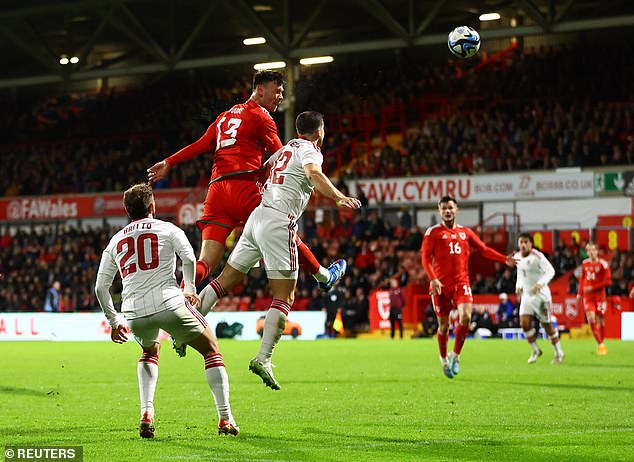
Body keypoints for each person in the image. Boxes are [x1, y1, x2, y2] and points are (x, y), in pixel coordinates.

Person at [195, 111, 361, 390]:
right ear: (320, 131)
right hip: (278, 222)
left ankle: (186, 327)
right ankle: (263, 358)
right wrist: (339, 197)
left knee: (223, 281)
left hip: (257, 218)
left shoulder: (283, 150)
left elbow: (260, 172)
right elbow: (313, 173)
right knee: (285, 296)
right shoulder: (310, 150)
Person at [146, 71, 345, 297]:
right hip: (244, 187)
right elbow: (282, 155)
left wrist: (168, 162)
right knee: (282, 227)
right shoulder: (262, 116)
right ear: (260, 90)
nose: (280, 96)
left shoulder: (224, 117)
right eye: (277, 91)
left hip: (216, 192)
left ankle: (181, 297)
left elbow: (201, 144)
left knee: (207, 260)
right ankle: (324, 276)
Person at [94, 183, 238, 438]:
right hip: (169, 302)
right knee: (211, 350)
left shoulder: (116, 239)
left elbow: (100, 287)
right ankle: (225, 418)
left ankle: (146, 413)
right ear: (153, 207)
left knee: (150, 350)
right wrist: (190, 289)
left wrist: (114, 320)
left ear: (128, 211)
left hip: (134, 312)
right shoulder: (168, 229)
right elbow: (190, 259)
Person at [420, 196, 516, 379]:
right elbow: (425, 258)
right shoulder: (433, 232)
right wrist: (432, 279)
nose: (447, 211)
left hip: (461, 283)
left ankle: (455, 356)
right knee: (444, 326)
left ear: (457, 209)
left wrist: (504, 259)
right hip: (440, 286)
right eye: (444, 208)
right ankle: (443, 359)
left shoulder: (466, 232)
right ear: (439, 211)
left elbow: (484, 249)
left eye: (450, 208)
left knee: (466, 317)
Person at [514, 233, 564, 364]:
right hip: (527, 296)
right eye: (521, 242)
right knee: (524, 323)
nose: (523, 245)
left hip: (541, 296)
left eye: (526, 242)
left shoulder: (538, 256)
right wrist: (518, 286)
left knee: (547, 326)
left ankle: (559, 352)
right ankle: (536, 350)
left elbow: (551, 271)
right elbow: (520, 274)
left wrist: (540, 283)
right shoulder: (517, 257)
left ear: (531, 244)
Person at [577, 242, 612, 355]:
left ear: (597, 251)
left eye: (593, 250)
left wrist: (592, 287)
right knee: (591, 318)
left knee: (600, 319)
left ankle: (602, 341)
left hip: (599, 296)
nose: (591, 252)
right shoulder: (584, 264)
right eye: (588, 250)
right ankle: (600, 344)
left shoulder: (603, 264)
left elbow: (608, 281)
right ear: (587, 252)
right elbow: (582, 279)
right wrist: (579, 292)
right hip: (588, 297)